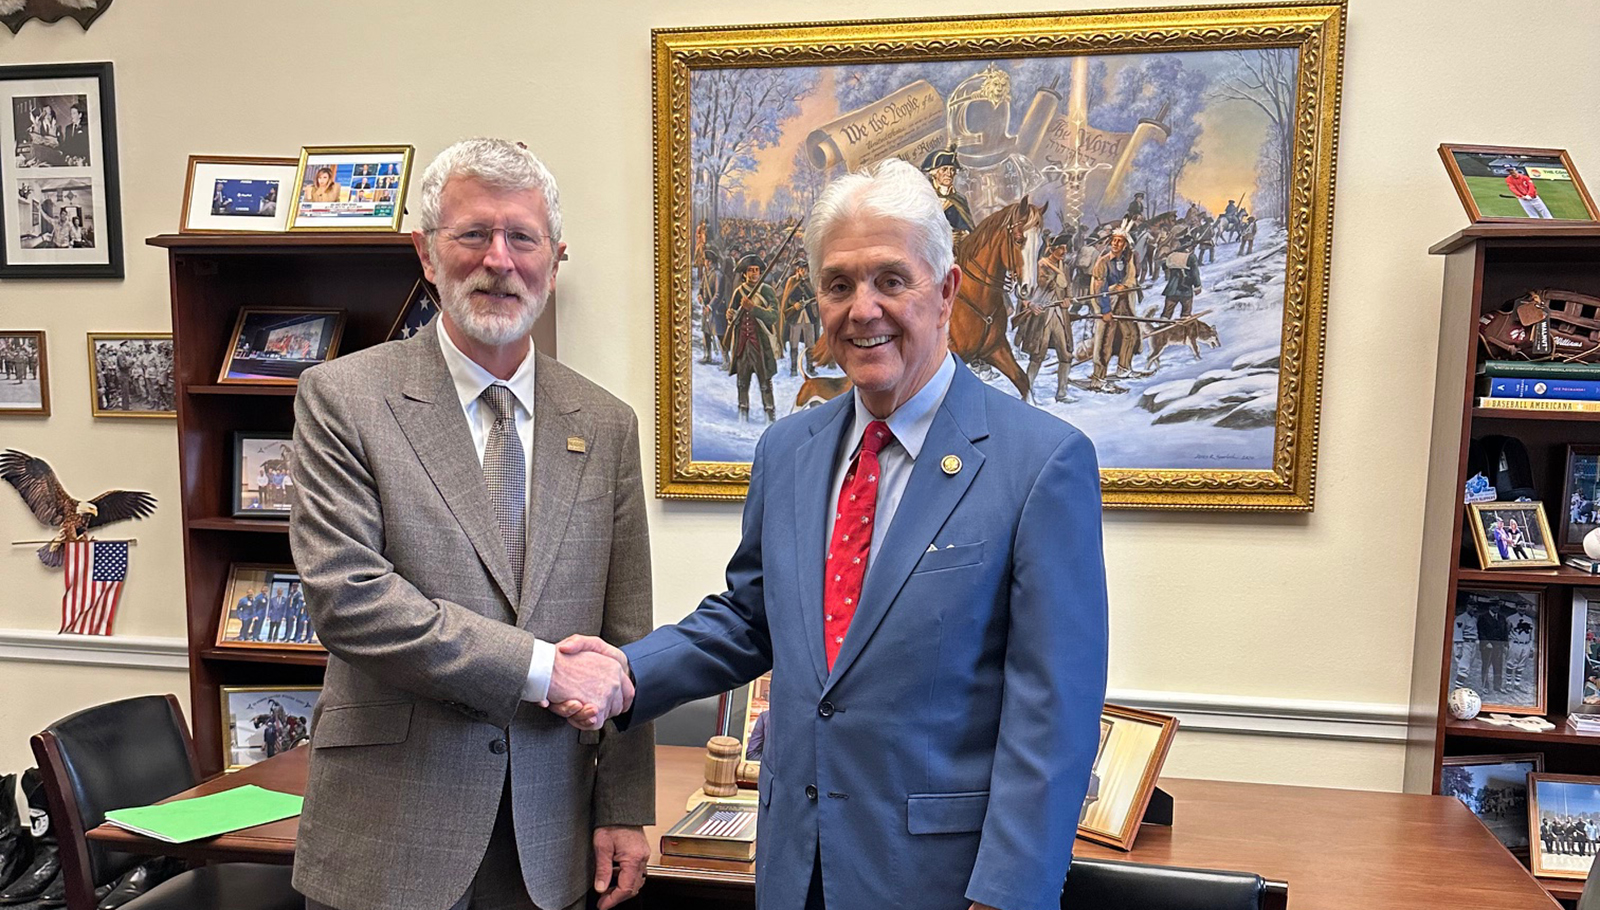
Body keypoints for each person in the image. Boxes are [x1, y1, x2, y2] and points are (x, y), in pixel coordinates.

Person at [562, 157, 1108, 910]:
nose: (863, 309)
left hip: (940, 884)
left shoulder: (1041, 463)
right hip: (795, 868)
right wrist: (627, 672)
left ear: (946, 292)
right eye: (839, 284)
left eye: (891, 280)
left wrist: (1010, 896)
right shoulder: (788, 450)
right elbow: (751, 619)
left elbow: (1054, 710)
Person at [288, 138, 652, 910]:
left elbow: (625, 634)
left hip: (549, 834)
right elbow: (349, 601)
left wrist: (624, 806)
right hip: (390, 834)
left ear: (555, 260)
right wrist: (541, 668)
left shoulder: (607, 424)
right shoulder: (343, 399)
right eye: (474, 234)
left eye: (522, 237)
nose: (499, 260)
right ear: (426, 253)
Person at [1016, 231, 1075, 402]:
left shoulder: (1065, 267)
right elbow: (1023, 291)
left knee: (1066, 355)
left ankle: (1062, 392)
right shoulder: (1039, 266)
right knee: (1038, 355)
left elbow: (1068, 289)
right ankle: (1027, 391)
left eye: (1065, 248)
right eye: (1060, 248)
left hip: (1060, 315)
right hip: (1042, 315)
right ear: (1052, 249)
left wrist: (1068, 300)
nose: (1064, 251)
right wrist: (1030, 304)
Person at [724, 253, 779, 423]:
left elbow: (774, 316)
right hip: (742, 344)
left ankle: (769, 416)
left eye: (756, 270)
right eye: (750, 270)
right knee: (742, 383)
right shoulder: (739, 292)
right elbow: (732, 314)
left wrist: (753, 308)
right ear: (744, 273)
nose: (754, 273)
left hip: (760, 344)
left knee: (765, 383)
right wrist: (730, 315)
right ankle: (743, 416)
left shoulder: (766, 290)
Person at [1087, 230, 1140, 391]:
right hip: (1108, 304)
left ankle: (1124, 367)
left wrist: (1125, 287)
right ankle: (1098, 378)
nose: (1115, 244)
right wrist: (1105, 310)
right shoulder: (1103, 262)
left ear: (1125, 245)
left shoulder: (1126, 261)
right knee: (1105, 341)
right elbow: (1099, 289)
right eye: (1114, 240)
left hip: (1123, 303)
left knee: (1131, 333)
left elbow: (1130, 279)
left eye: (1120, 241)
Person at [920, 145, 975, 240]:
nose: (949, 174)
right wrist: (947, 237)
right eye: (944, 169)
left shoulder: (959, 199)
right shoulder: (925, 199)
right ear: (934, 173)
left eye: (952, 170)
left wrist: (965, 233)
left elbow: (965, 226)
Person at [780, 260, 818, 376]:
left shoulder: (811, 281)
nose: (803, 271)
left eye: (804, 269)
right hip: (795, 316)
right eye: (800, 269)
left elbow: (815, 296)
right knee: (794, 342)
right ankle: (793, 368)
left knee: (810, 343)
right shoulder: (791, 281)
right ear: (797, 270)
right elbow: (787, 298)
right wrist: (795, 305)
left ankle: (810, 367)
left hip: (809, 315)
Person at [1159, 230, 1202, 320]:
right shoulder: (1191, 257)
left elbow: (1164, 266)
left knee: (1167, 313)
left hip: (1171, 289)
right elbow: (1195, 273)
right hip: (1185, 289)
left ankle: (1163, 323)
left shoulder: (1172, 255)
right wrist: (1197, 286)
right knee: (1186, 313)